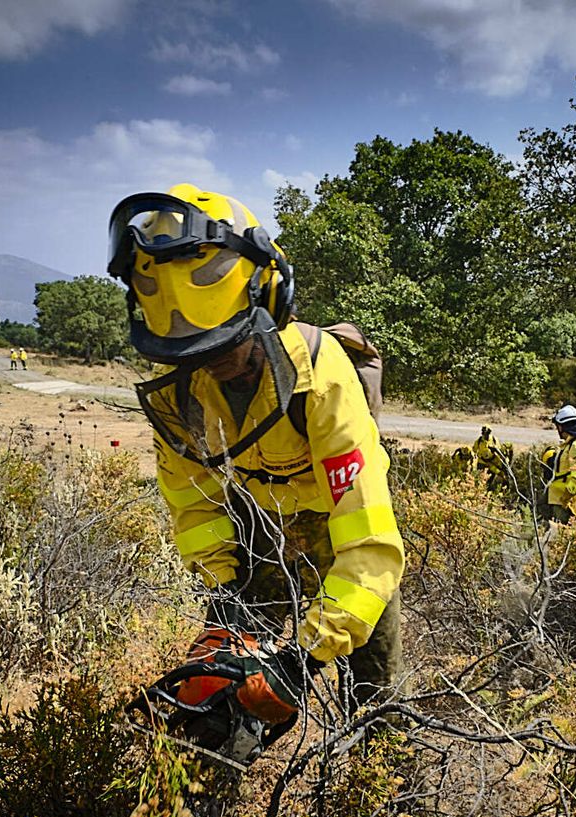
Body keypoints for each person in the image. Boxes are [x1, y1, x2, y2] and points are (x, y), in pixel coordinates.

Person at [107, 183, 405, 726]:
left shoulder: (319, 375)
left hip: (337, 522)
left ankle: (379, 779)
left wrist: (307, 656)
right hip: (259, 524)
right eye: (194, 352)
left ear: (265, 306)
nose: (211, 363)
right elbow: (194, 507)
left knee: (373, 684)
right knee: (225, 677)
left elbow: (368, 539)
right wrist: (223, 593)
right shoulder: (179, 395)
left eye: (226, 344)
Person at [544, 405, 576, 524]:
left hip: (570, 506)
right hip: (561, 501)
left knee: (562, 538)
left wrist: (565, 499)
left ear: (562, 426)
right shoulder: (570, 445)